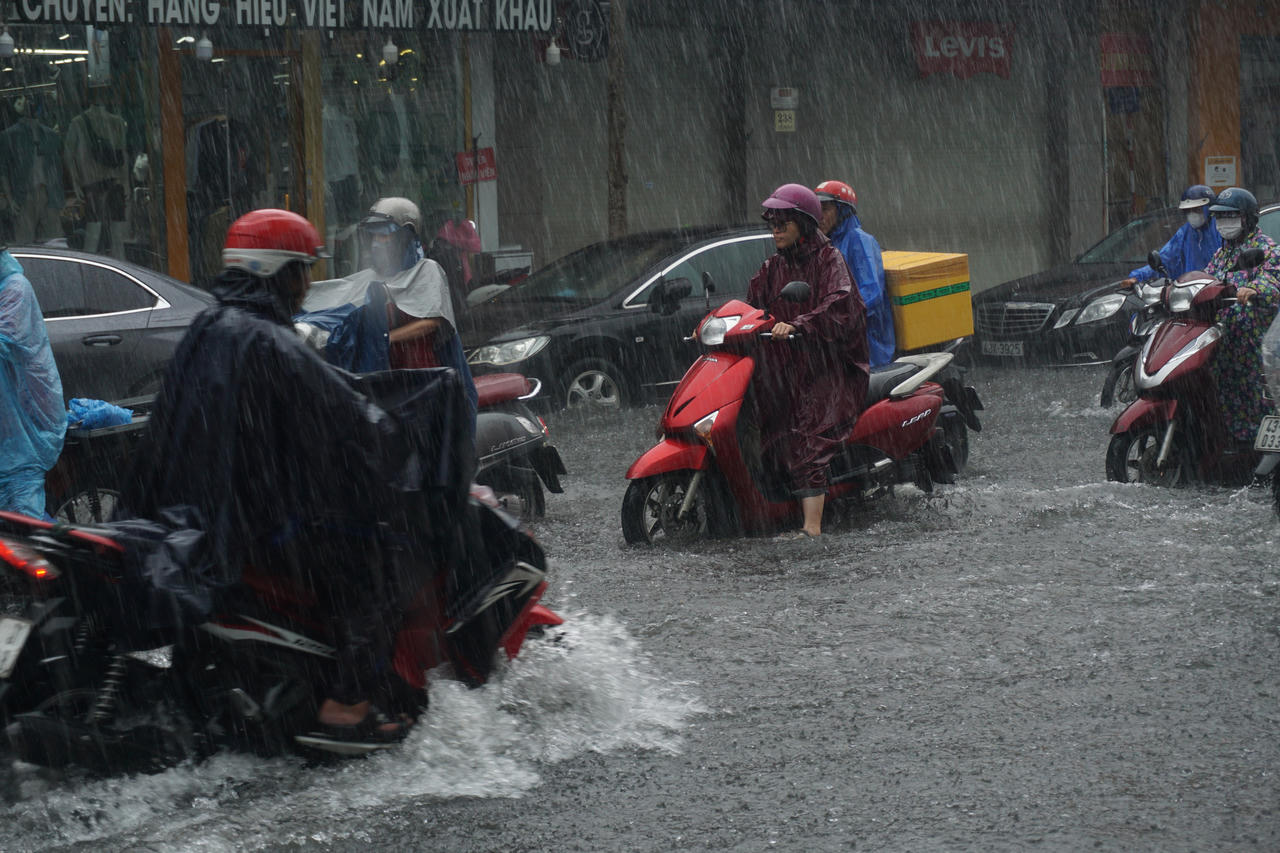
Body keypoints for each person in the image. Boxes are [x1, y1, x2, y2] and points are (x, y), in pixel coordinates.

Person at [116, 209, 449, 744]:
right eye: (303, 271)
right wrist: (399, 440)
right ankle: (346, 705)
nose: (307, 285)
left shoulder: (207, 329)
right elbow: (351, 419)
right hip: (255, 527)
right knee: (385, 558)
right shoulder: (271, 342)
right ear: (279, 272)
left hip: (199, 517)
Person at [748, 184, 870, 538]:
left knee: (806, 439)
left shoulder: (829, 261)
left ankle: (812, 529)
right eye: (772, 221)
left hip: (831, 370)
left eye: (784, 222)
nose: (776, 229)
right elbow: (751, 305)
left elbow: (840, 306)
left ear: (803, 223)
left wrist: (800, 324)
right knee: (768, 430)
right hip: (789, 367)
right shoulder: (771, 267)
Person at [299, 197, 478, 437]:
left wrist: (385, 338)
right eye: (373, 236)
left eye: (383, 236)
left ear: (404, 236)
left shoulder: (427, 271)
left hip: (421, 381)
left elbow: (431, 322)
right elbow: (335, 303)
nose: (376, 243)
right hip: (385, 380)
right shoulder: (371, 278)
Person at [1201, 187, 1280, 446]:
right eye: (1220, 218)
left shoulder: (1265, 249)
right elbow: (1205, 281)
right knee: (1221, 395)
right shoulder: (1221, 254)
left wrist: (1255, 288)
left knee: (1253, 403)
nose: (1225, 223)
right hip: (1224, 340)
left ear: (1247, 218)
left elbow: (1273, 281)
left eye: (1231, 216)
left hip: (1253, 343)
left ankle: (1257, 454)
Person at [0, 245, 65, 517]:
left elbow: (6, 339)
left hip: (27, 414)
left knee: (23, 512)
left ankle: (49, 556)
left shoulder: (16, 288)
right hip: (9, 418)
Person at [814, 179, 894, 367]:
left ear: (843, 211)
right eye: (817, 210)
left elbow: (871, 295)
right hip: (840, 344)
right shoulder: (826, 243)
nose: (820, 216)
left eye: (825, 209)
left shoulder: (859, 241)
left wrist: (838, 319)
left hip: (867, 346)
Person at [1122, 185, 1223, 286]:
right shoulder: (1184, 233)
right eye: (1188, 211)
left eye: (1197, 209)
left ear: (1209, 209)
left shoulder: (1221, 229)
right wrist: (1138, 276)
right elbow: (1165, 259)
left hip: (1218, 288)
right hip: (1190, 289)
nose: (1192, 214)